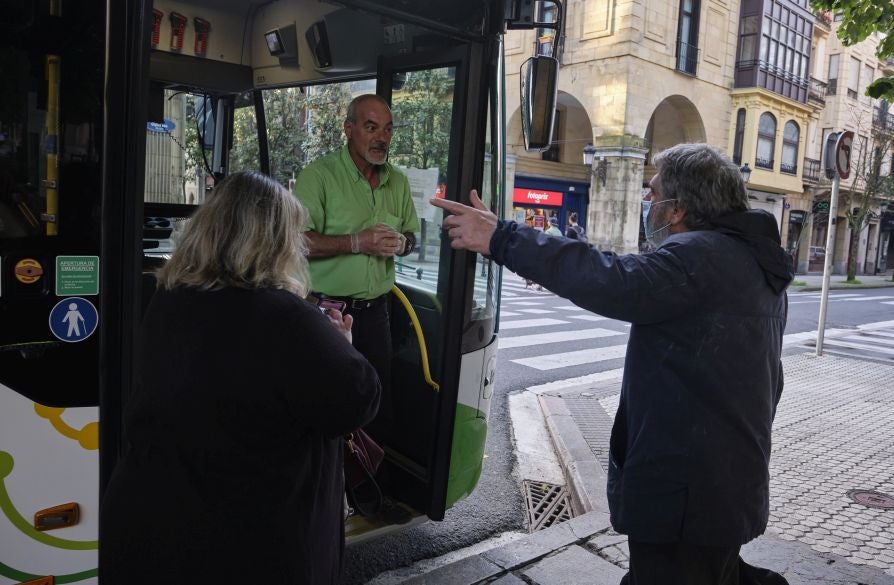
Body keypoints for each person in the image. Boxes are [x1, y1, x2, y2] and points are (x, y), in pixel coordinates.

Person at [432, 143, 793, 585]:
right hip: (726, 480)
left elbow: (609, 279)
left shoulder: (697, 259)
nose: (646, 201)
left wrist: (502, 237)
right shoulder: (752, 264)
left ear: (677, 208)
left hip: (686, 492)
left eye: (652, 191)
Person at [100, 171, 381, 585]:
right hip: (243, 547)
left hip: (152, 526)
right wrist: (344, 342)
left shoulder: (170, 295)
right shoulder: (286, 318)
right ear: (275, 241)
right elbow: (358, 397)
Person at [294, 94, 418, 434]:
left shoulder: (399, 182)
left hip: (377, 312)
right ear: (349, 130)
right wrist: (356, 242)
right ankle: (332, 482)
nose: (382, 138)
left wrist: (402, 243)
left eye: (388, 130)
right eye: (371, 127)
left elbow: (412, 239)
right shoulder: (318, 176)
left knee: (377, 405)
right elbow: (297, 241)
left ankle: (371, 483)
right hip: (326, 311)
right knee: (327, 403)